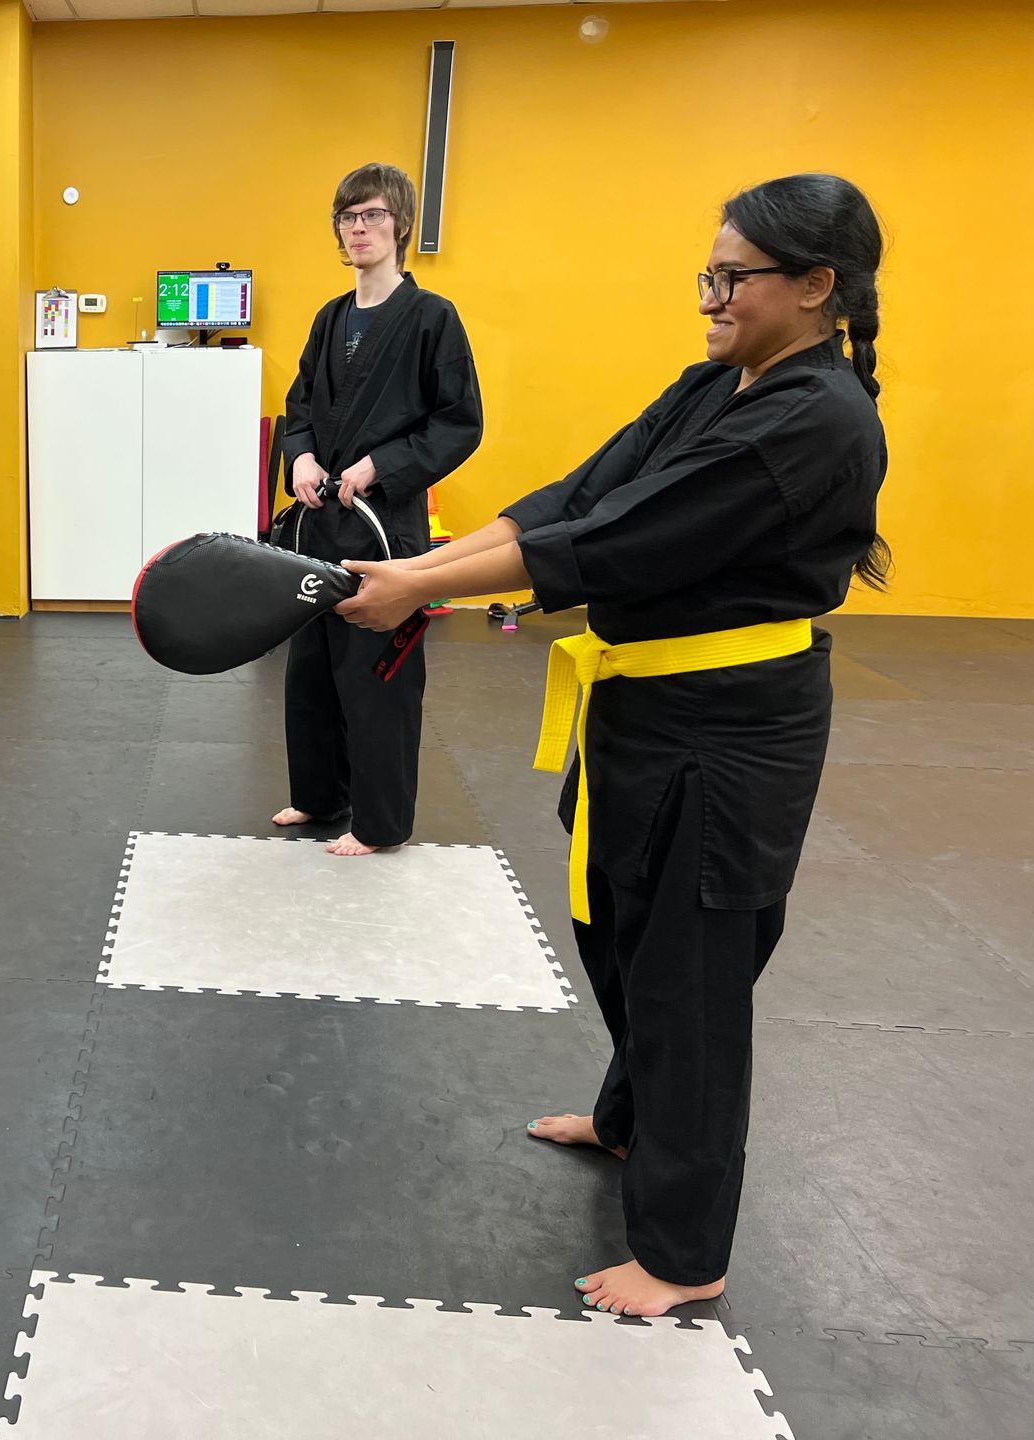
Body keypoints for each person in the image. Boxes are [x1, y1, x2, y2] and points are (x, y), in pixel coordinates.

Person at [334, 173, 889, 1317]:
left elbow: (619, 540)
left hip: (729, 731)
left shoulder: (816, 418)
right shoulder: (718, 384)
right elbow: (577, 496)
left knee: (693, 980)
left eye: (732, 278)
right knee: (620, 931)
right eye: (709, 274)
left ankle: (685, 1253)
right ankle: (631, 1119)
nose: (711, 298)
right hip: (646, 710)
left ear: (816, 286)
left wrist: (419, 594)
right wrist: (420, 569)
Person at [273, 163, 483, 856]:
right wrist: (300, 458)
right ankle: (318, 795)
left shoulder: (431, 318)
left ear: (401, 225)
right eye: (348, 217)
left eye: (372, 215)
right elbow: (299, 406)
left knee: (377, 674)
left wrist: (380, 467)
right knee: (311, 668)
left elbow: (459, 422)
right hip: (318, 522)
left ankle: (379, 822)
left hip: (384, 526)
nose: (358, 228)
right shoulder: (330, 317)